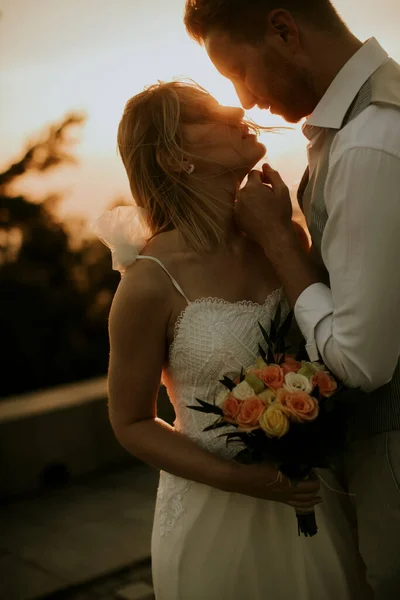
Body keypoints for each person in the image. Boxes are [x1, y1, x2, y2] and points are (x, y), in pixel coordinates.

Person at [94, 80, 371, 600]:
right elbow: (129, 421)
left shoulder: (282, 238)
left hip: (319, 495)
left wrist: (281, 236)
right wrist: (252, 482)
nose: (235, 107)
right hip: (217, 517)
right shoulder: (150, 280)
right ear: (176, 159)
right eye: (205, 114)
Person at [183, 1, 400, 598]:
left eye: (239, 71)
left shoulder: (368, 141)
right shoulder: (378, 113)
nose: (245, 100)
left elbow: (361, 361)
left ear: (283, 30)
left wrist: (279, 240)